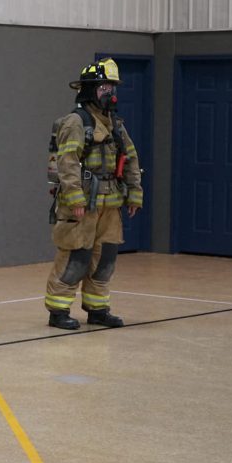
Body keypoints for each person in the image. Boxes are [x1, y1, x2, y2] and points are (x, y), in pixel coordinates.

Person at [45, 59, 143, 329]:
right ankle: (58, 310)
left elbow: (131, 157)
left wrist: (134, 193)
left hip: (110, 204)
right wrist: (75, 197)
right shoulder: (76, 122)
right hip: (82, 203)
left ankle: (98, 309)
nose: (110, 92)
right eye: (104, 86)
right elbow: (67, 163)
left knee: (105, 257)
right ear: (89, 90)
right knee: (76, 255)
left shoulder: (115, 124)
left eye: (112, 86)